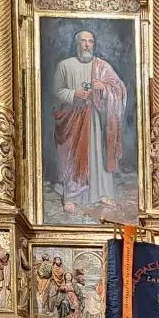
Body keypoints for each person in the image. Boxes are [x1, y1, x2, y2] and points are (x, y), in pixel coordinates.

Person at [51, 30, 128, 213]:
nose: (87, 45)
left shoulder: (102, 66)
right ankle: (71, 196)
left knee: (97, 155)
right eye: (83, 41)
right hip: (72, 118)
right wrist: (74, 94)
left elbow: (119, 88)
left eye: (90, 41)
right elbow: (56, 91)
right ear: (76, 44)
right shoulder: (65, 65)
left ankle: (102, 193)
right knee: (73, 157)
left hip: (96, 119)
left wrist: (104, 87)